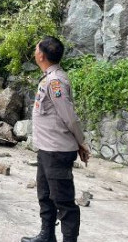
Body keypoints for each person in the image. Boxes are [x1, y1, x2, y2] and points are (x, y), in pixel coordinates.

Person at [21, 36, 90, 242]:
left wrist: (81, 142)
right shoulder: (49, 77)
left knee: (64, 201)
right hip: (46, 149)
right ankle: (47, 235)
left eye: (36, 48)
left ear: (41, 55)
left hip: (57, 150)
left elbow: (69, 116)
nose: (34, 51)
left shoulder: (55, 81)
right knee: (45, 195)